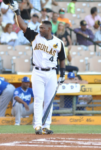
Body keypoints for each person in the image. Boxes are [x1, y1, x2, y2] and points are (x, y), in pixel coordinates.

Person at [10, 1, 65, 134]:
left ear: (48, 29)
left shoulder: (59, 42)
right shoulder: (35, 37)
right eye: (39, 28)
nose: (39, 29)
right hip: (38, 72)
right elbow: (23, 26)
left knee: (49, 100)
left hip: (52, 73)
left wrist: (62, 74)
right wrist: (17, 12)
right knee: (39, 99)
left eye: (42, 28)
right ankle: (37, 125)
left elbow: (62, 59)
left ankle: (47, 126)